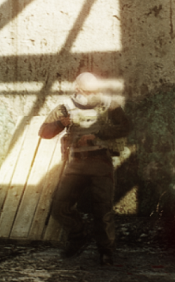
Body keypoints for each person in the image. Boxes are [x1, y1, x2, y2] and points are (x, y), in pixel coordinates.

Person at [39, 72, 131, 264]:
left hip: (101, 162)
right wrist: (60, 123)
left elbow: (125, 126)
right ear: (77, 89)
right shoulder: (65, 107)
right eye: (87, 91)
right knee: (60, 206)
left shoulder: (108, 104)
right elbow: (44, 132)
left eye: (94, 91)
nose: (91, 95)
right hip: (76, 164)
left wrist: (99, 134)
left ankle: (106, 252)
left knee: (103, 210)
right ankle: (79, 235)